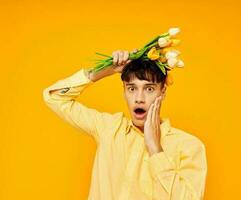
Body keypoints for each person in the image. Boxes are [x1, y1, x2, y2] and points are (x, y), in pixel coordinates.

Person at [42, 49, 207, 200]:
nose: (139, 98)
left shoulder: (189, 146)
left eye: (149, 89)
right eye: (132, 88)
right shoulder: (108, 128)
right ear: (124, 91)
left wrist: (156, 150)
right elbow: (54, 98)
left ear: (162, 92)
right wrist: (105, 71)